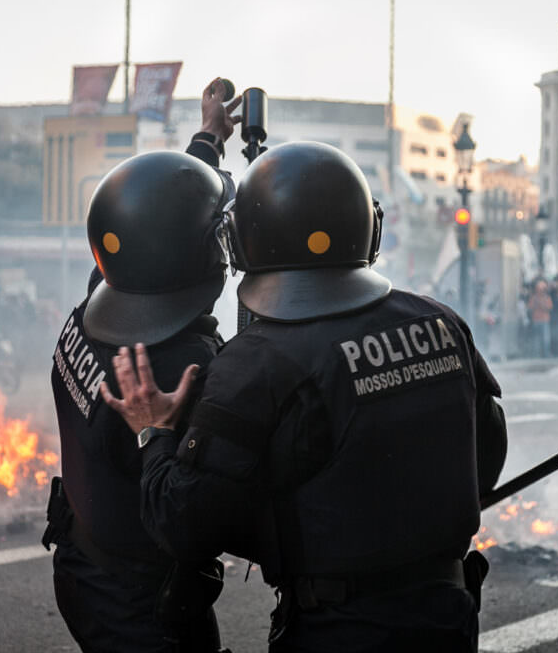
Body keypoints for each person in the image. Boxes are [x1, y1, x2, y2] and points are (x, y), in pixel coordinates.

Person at [103, 142, 508, 652]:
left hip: (337, 628)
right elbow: (488, 451)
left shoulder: (256, 362)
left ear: (246, 243)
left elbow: (184, 525)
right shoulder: (441, 321)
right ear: (367, 228)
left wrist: (153, 431)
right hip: (449, 616)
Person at [42, 78, 240, 652]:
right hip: (141, 606)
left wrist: (207, 142)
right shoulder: (185, 366)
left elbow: (154, 224)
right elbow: (205, 514)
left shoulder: (102, 299)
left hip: (82, 564)